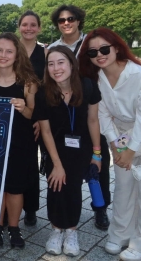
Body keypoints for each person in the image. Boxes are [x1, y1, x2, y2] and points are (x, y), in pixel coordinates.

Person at [79, 28, 141, 261]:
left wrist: (130, 151)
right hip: (121, 133)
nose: (99, 54)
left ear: (117, 47)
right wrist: (115, 145)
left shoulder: (140, 75)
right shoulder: (97, 78)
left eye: (104, 49)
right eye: (92, 52)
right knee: (123, 186)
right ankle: (119, 234)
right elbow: (104, 115)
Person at [34, 46, 102, 256]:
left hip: (81, 149)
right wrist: (57, 164)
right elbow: (45, 131)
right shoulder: (44, 92)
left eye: (61, 62)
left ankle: (71, 230)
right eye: (51, 63)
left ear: (71, 63)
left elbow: (93, 120)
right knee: (55, 187)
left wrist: (97, 153)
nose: (56, 68)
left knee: (72, 188)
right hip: (55, 149)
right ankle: (55, 229)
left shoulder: (88, 86)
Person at [49, 5, 111, 230]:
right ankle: (62, 214)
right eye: (61, 20)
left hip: (91, 107)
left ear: (78, 21)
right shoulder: (53, 49)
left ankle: (100, 207)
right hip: (65, 113)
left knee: (98, 161)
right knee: (63, 164)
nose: (66, 23)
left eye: (71, 19)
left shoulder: (90, 44)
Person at [0, 33, 39, 249]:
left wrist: (24, 108)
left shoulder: (28, 82)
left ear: (17, 55)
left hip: (19, 142)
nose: (3, 55)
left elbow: (34, 114)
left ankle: (14, 228)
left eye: (9, 51)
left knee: (15, 189)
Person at [17, 10, 46, 227]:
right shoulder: (11, 48)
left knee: (30, 162)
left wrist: (39, 117)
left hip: (34, 113)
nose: (28, 28)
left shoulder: (44, 52)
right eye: (25, 24)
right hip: (12, 110)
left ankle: (31, 208)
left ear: (39, 28)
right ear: (19, 26)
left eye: (33, 25)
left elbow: (47, 86)